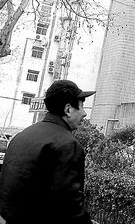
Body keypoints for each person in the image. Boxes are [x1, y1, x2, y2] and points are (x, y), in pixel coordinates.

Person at [0, 80, 96, 224]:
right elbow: (69, 205)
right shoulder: (67, 144)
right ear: (68, 109)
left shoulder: (22, 135)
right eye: (81, 106)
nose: (84, 113)